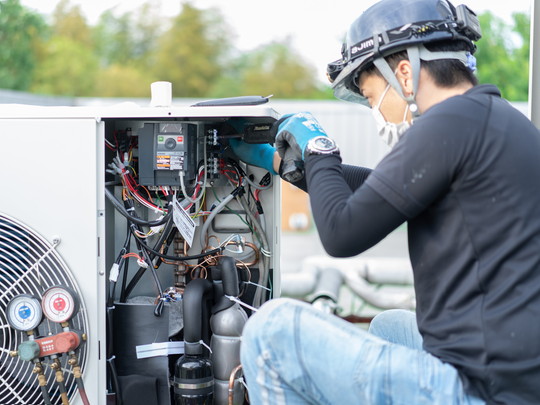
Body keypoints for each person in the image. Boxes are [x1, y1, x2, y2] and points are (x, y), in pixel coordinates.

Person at [230, 0, 540, 403]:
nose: (376, 112)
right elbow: (381, 191)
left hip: (480, 389)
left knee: (272, 331)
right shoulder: (490, 119)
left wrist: (319, 149)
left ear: (405, 75)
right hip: (515, 378)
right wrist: (286, 164)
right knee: (390, 327)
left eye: (372, 95)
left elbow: (342, 233)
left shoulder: (446, 123)